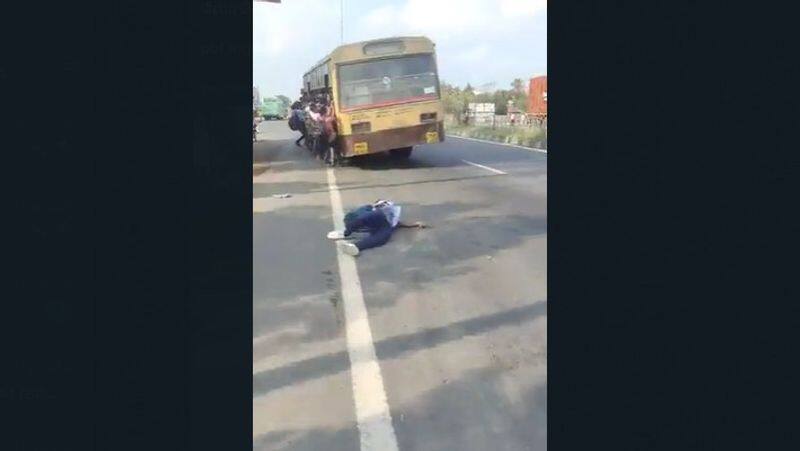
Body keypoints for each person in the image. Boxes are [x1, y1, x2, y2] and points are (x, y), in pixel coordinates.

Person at [327, 200, 427, 256]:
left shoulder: (388, 222)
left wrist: (414, 225)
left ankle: (355, 244)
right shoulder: (372, 212)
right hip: (375, 215)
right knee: (378, 231)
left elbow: (398, 223)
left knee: (382, 235)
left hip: (381, 219)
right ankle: (347, 235)